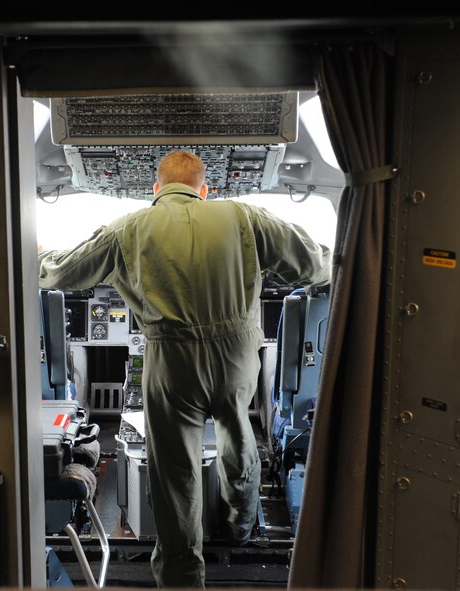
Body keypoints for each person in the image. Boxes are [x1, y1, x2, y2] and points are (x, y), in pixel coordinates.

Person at [38, 149, 331, 587]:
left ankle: (182, 575)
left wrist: (40, 256)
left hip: (171, 362)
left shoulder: (128, 227)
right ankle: (239, 525)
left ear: (156, 190)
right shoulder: (245, 216)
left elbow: (61, 273)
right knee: (239, 436)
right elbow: (315, 263)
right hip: (235, 359)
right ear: (204, 190)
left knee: (175, 471)